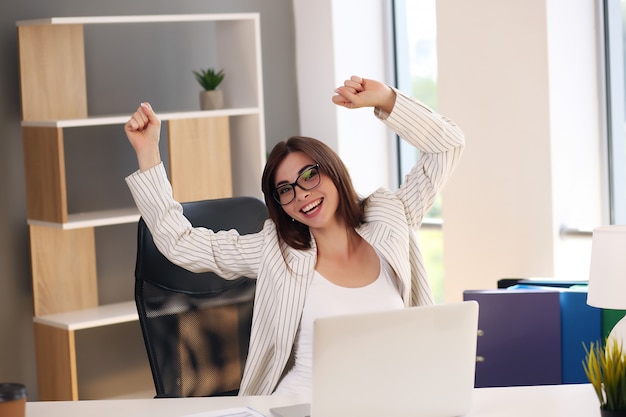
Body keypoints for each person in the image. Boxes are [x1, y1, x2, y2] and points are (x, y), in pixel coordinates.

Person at [124, 75, 465, 397]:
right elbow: (180, 243)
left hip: (390, 401)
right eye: (285, 189)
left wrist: (387, 100)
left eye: (309, 176)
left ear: (333, 171)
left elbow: (447, 147)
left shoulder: (390, 219)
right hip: (300, 406)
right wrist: (148, 154)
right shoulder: (276, 249)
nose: (301, 194)